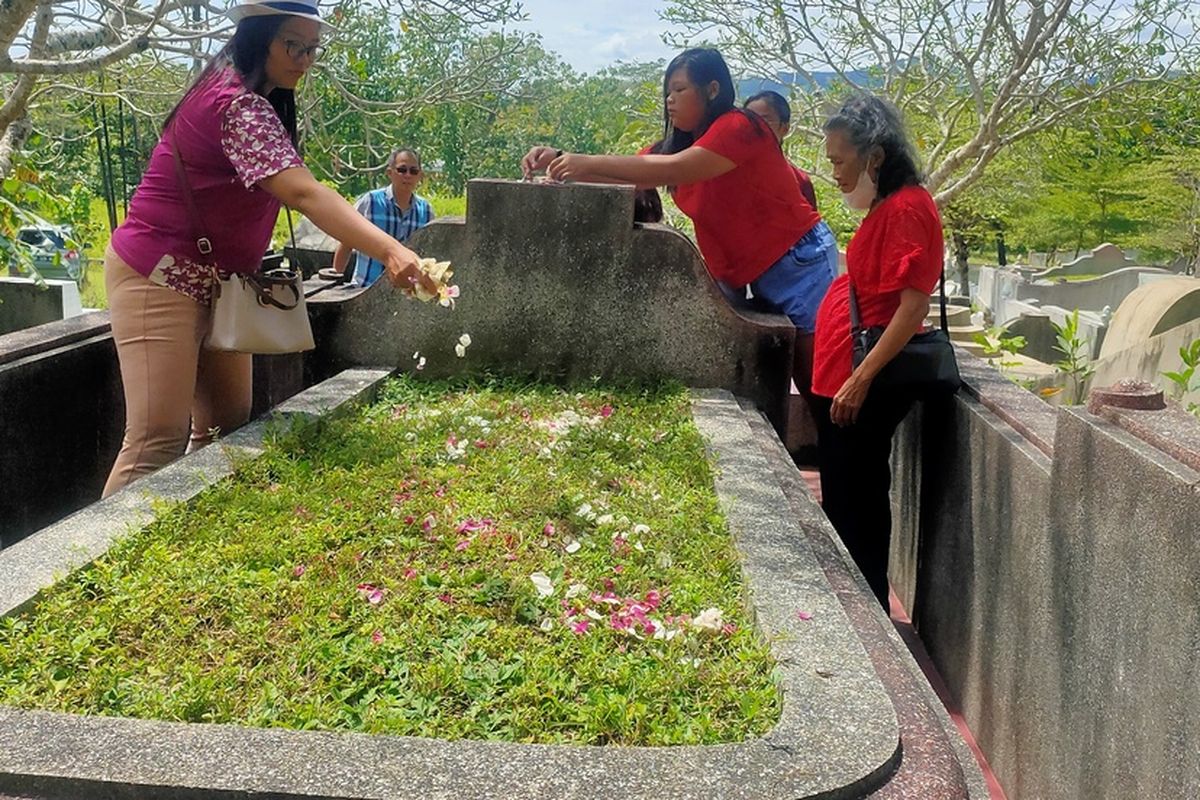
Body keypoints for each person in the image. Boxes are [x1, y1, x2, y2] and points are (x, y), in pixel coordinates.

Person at [102, 0, 436, 497]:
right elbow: (303, 193)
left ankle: (186, 541)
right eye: (292, 45)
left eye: (311, 48)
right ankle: (101, 570)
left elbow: (296, 186)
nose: (303, 59)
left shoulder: (257, 97)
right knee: (155, 441)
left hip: (222, 285)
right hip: (160, 275)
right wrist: (392, 251)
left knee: (224, 430)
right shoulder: (234, 103)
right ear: (257, 38)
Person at [521, 48, 837, 399]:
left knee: (819, 382)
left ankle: (839, 451)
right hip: (750, 269)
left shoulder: (740, 127)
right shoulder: (677, 144)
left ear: (713, 89)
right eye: (668, 92)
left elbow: (674, 169)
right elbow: (628, 174)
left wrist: (580, 162)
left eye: (680, 90)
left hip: (797, 261)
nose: (670, 100)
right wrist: (560, 161)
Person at [809, 94, 946, 612]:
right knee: (846, 495)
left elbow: (912, 307)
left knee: (858, 499)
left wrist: (860, 378)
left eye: (841, 161)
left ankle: (864, 614)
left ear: (875, 157)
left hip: (863, 380)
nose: (836, 173)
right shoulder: (888, 207)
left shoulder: (909, 207)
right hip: (843, 375)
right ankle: (854, 606)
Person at [332, 148, 435, 286]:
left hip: (406, 297)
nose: (408, 175)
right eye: (402, 170)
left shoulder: (426, 211)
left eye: (413, 171)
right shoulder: (370, 202)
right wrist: (334, 283)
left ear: (419, 176)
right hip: (364, 289)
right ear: (390, 173)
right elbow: (346, 242)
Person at [743, 90, 818, 211]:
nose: (755, 127)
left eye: (765, 121)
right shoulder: (726, 175)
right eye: (749, 121)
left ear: (784, 128)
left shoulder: (800, 182)